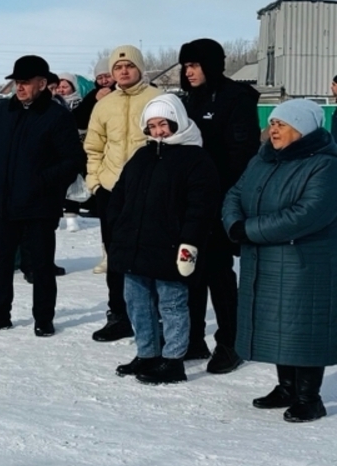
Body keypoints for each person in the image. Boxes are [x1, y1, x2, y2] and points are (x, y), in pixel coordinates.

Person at [223, 98, 337, 422]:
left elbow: (308, 214)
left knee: (304, 328)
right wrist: (233, 223)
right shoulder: (262, 160)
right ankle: (286, 387)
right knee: (277, 325)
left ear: (303, 129)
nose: (273, 130)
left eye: (282, 124)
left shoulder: (325, 165)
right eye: (272, 123)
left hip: (305, 262)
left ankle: (309, 397)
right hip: (265, 257)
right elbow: (235, 193)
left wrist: (249, 229)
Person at [105, 95, 221, 386]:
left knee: (172, 305)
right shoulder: (142, 156)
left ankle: (173, 360)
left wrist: (190, 243)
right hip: (135, 247)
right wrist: (117, 228)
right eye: (152, 125)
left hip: (172, 247)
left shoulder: (195, 158)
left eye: (164, 124)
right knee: (137, 303)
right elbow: (120, 195)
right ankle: (147, 353)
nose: (158, 131)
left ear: (177, 122)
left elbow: (201, 206)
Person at [0, 55, 83, 337]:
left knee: (41, 265)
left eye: (25, 82)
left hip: (39, 205)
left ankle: (43, 318)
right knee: (1, 261)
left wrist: (42, 183)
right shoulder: (4, 113)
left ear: (42, 84)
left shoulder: (57, 116)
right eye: (16, 82)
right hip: (4, 201)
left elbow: (71, 161)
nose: (19, 88)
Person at [177, 37, 262, 374]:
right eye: (185, 66)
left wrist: (226, 200)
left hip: (220, 199)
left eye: (194, 65)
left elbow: (240, 157)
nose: (189, 72)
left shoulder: (236, 99)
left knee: (218, 273)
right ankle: (193, 337)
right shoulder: (188, 100)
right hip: (190, 200)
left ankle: (231, 341)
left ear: (210, 66)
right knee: (189, 271)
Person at [85, 45, 161, 344]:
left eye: (129, 65)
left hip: (150, 191)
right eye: (118, 67)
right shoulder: (104, 104)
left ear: (140, 68)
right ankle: (118, 315)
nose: (124, 71)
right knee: (116, 256)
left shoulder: (158, 100)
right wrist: (95, 182)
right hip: (111, 190)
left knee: (151, 254)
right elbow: (93, 146)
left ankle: (152, 314)